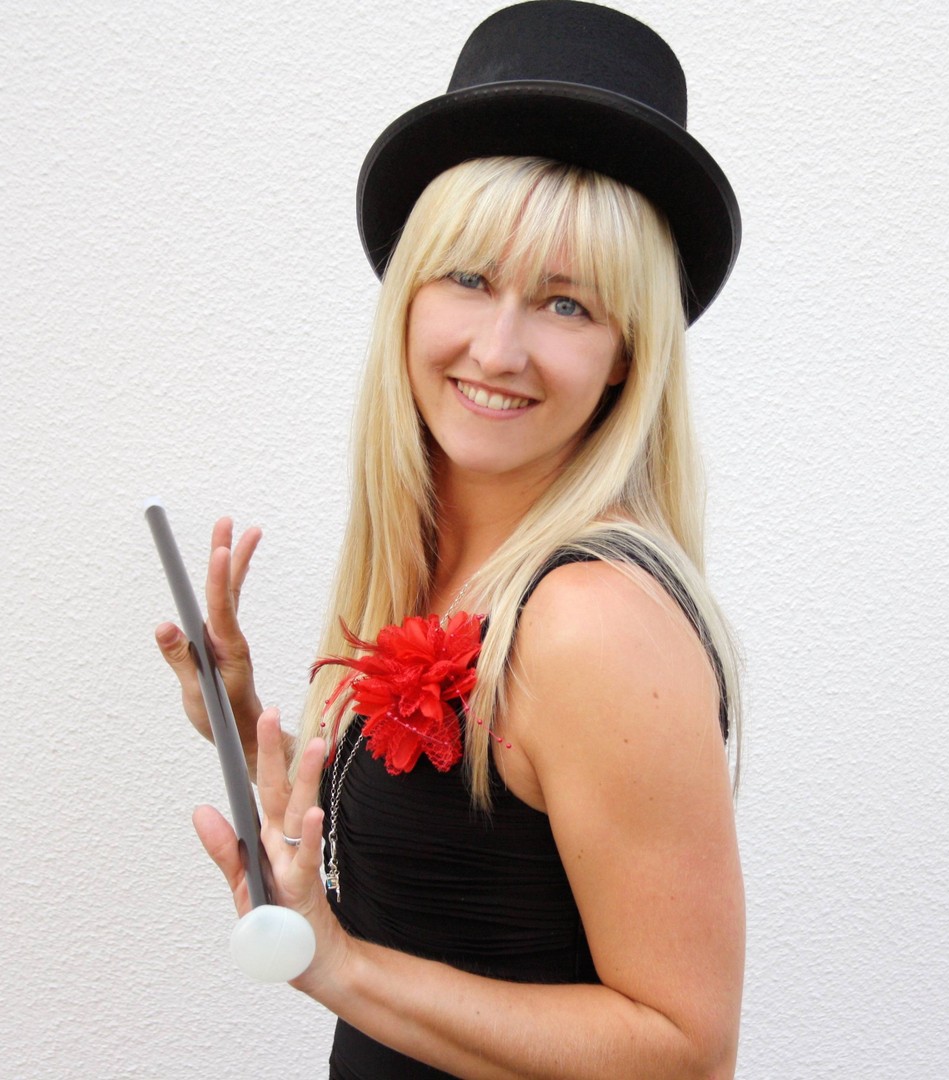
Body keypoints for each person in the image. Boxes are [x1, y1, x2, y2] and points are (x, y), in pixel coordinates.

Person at [155, 3, 745, 1076]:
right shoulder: (437, 561)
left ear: (627, 353)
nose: (500, 349)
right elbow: (456, 897)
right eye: (469, 280)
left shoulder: (592, 622)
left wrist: (336, 965)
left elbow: (682, 1053)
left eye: (567, 305)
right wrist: (247, 733)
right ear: (409, 297)